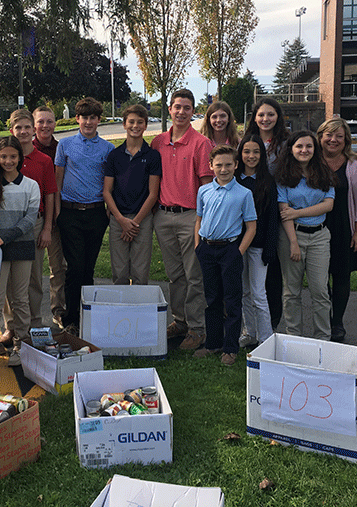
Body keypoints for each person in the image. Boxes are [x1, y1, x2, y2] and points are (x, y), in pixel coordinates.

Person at [150, 89, 213, 350]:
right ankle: (180, 322)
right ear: (169, 108)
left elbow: (207, 185)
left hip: (190, 217)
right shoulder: (158, 142)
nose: (181, 112)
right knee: (175, 275)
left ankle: (198, 328)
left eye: (187, 108)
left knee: (194, 275)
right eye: (177, 107)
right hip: (163, 216)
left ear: (193, 110)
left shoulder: (201, 143)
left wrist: (202, 221)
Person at [0, 136, 40, 367]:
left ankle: (21, 347)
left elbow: (29, 220)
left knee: (20, 300)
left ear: (19, 158)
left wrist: (5, 237)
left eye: (13, 156)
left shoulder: (31, 185)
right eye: (4, 156)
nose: (8, 161)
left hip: (21, 247)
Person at [0, 109, 56, 347]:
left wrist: (47, 229)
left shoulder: (43, 160)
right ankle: (11, 326)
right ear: (11, 130)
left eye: (26, 127)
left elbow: (50, 195)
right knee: (10, 278)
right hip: (7, 224)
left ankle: (33, 324)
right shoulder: (4, 158)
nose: (22, 131)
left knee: (33, 278)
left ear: (34, 130)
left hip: (35, 224)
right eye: (18, 127)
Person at [193, 145, 257, 365]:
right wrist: (197, 246)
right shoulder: (204, 191)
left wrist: (238, 252)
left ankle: (230, 347)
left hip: (230, 249)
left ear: (236, 165)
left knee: (231, 299)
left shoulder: (243, 194)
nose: (223, 169)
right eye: (218, 165)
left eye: (228, 164)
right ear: (211, 166)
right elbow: (199, 219)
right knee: (211, 299)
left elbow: (251, 227)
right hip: (207, 249)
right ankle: (213, 343)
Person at [55, 97, 113, 335]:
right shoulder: (65, 145)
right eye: (84, 117)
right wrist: (57, 212)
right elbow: (58, 179)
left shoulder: (108, 149)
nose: (88, 122)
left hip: (96, 213)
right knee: (75, 267)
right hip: (69, 212)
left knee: (88, 268)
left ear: (99, 120)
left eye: (93, 118)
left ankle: (86, 316)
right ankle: (70, 319)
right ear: (77, 118)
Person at [276, 131, 335, 340]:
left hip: (319, 237)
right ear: (291, 149)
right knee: (292, 292)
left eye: (308, 146)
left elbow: (328, 205)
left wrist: (297, 211)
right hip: (292, 236)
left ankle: (323, 339)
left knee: (320, 291)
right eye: (299, 146)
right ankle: (294, 337)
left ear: (315, 149)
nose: (304, 150)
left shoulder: (323, 173)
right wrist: (293, 243)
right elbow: (285, 213)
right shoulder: (283, 177)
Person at [317, 117, 357, 343]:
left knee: (341, 278)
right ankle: (321, 320)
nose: (333, 140)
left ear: (346, 140)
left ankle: (337, 322)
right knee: (320, 280)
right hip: (317, 228)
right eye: (329, 135)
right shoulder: (312, 162)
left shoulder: (353, 166)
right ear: (320, 137)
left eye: (339, 136)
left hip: (343, 229)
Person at [242, 97, 290, 332]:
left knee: (268, 280)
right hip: (247, 226)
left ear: (278, 117)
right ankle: (250, 330)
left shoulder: (286, 144)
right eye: (261, 114)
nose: (265, 119)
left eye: (270, 114)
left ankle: (269, 327)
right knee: (245, 287)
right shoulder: (246, 142)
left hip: (276, 209)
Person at [103, 104, 162, 285]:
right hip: (118, 218)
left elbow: (153, 194)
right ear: (124, 124)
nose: (135, 126)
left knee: (140, 272)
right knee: (119, 272)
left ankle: (139, 312)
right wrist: (121, 220)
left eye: (140, 122)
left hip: (142, 220)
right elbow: (106, 191)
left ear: (145, 126)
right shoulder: (114, 155)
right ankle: (121, 311)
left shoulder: (152, 156)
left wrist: (135, 223)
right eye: (131, 122)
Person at [236, 133, 279, 348]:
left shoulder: (267, 182)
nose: (251, 156)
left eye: (256, 151)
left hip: (259, 246)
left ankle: (266, 338)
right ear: (240, 153)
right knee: (243, 291)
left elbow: (273, 218)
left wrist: (270, 246)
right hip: (236, 245)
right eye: (246, 151)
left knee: (258, 293)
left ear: (262, 155)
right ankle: (250, 332)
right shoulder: (234, 180)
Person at [32, 105, 67, 327]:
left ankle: (58, 310)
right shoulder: (24, 149)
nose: (45, 126)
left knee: (58, 267)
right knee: (28, 273)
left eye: (50, 121)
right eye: (41, 121)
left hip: (55, 217)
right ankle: (26, 316)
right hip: (31, 219)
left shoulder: (61, 148)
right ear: (34, 124)